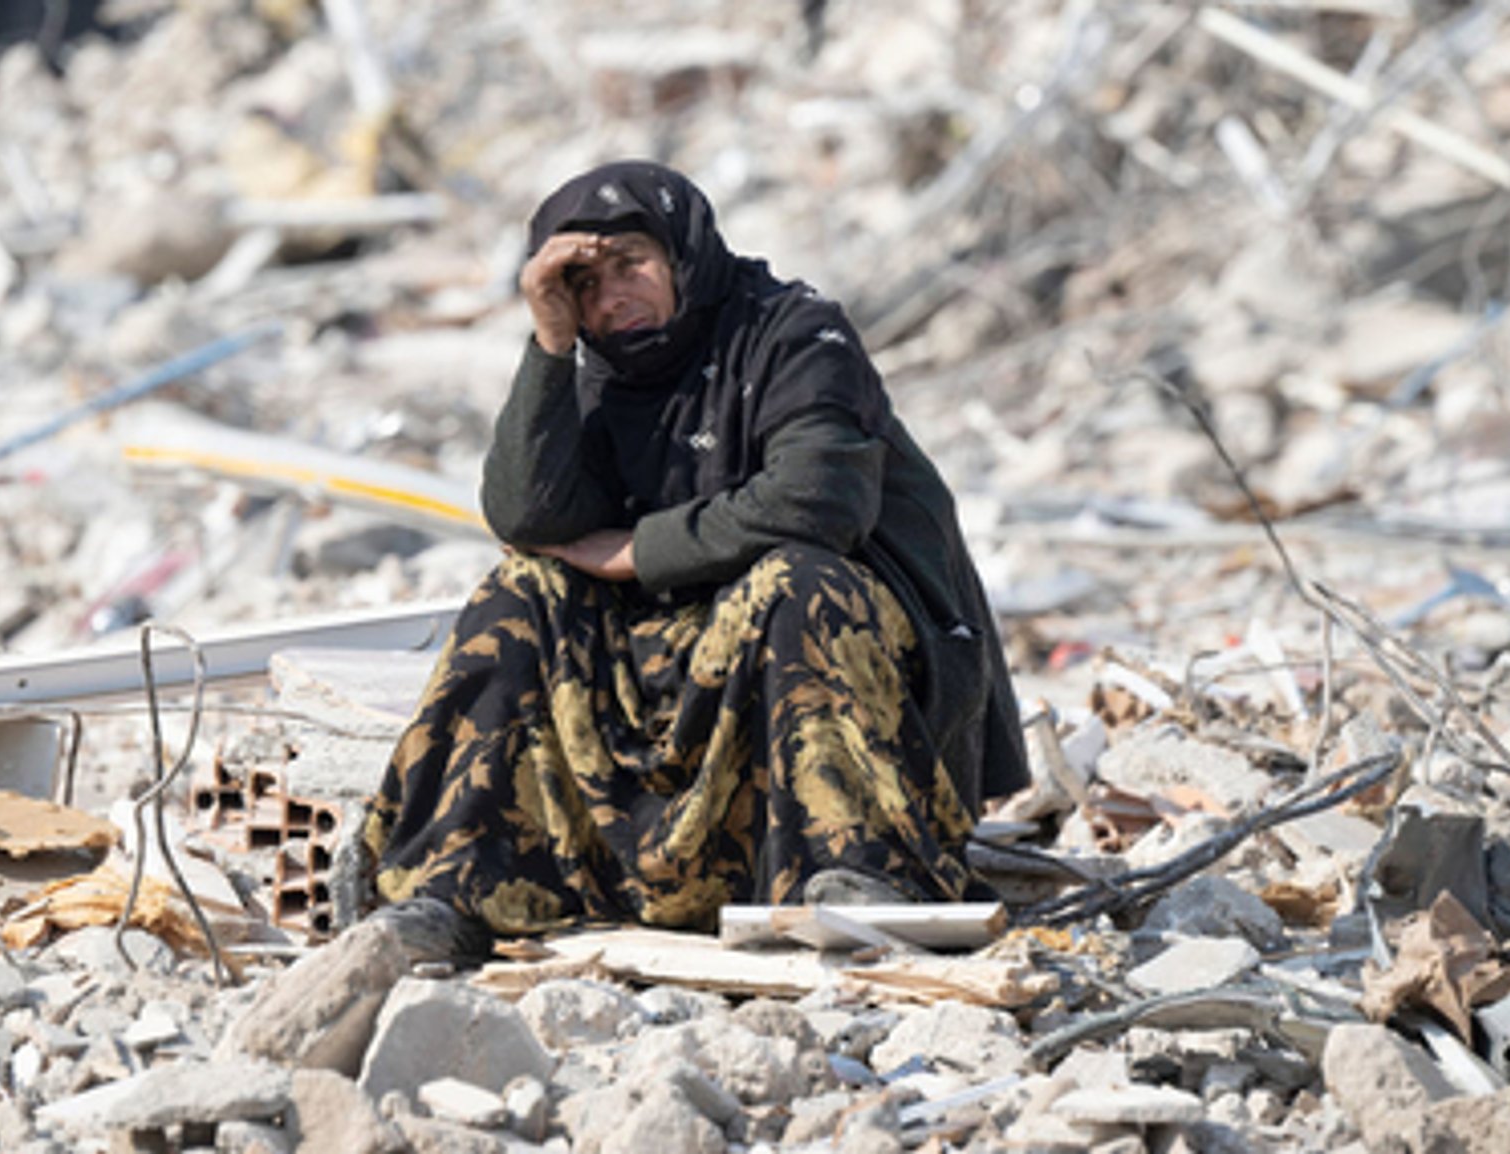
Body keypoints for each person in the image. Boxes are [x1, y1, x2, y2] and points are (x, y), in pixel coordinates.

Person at [357, 160, 1027, 959]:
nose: (613, 297)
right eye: (585, 282)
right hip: (681, 667)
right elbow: (524, 517)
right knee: (521, 590)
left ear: (684, 255)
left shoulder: (794, 332)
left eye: (631, 265)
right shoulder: (595, 369)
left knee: (795, 581)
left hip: (839, 666)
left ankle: (857, 872)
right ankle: (456, 883)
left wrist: (641, 552)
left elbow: (818, 502)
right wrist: (549, 344)